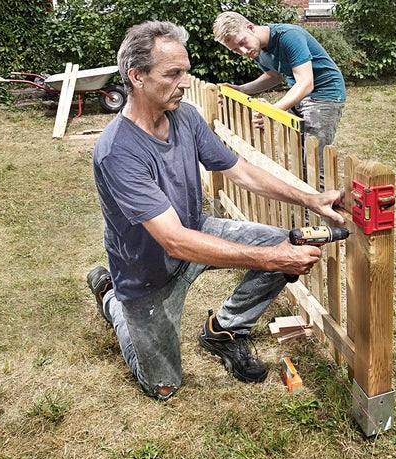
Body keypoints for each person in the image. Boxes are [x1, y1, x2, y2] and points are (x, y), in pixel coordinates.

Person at [87, 21, 345, 401]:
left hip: (196, 229)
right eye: (173, 73)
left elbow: (238, 170)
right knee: (162, 386)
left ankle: (224, 329)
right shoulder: (117, 152)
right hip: (148, 270)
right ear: (137, 77)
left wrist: (309, 199)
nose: (185, 82)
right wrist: (272, 259)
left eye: (186, 71)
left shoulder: (185, 117)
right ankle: (112, 299)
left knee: (283, 246)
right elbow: (174, 242)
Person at [212, 11, 346, 190]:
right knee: (300, 157)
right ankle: (307, 207)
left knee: (315, 162)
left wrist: (272, 112)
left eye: (242, 43)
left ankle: (318, 217)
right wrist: (242, 89)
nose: (243, 51)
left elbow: (306, 83)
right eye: (235, 49)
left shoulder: (289, 36)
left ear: (251, 28)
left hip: (325, 94)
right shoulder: (257, 50)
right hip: (299, 95)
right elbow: (274, 76)